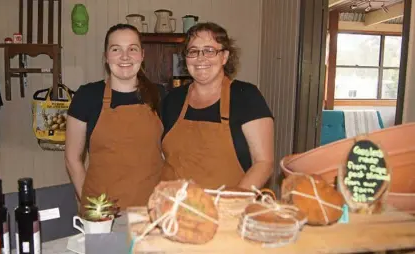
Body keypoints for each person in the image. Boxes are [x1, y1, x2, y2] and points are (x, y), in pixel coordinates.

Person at [161, 22, 274, 190]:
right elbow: (163, 158)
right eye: (193, 51)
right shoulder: (172, 99)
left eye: (209, 50)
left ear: (225, 56)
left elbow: (264, 163)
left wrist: (233, 200)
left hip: (228, 209)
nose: (201, 58)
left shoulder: (246, 96)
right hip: (175, 208)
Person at [65, 24, 165, 211]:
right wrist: (92, 206)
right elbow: (72, 158)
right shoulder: (87, 96)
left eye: (132, 49)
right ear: (106, 56)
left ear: (142, 55)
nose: (125, 56)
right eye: (116, 49)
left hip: (152, 211)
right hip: (103, 211)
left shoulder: (160, 95)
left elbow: (168, 154)